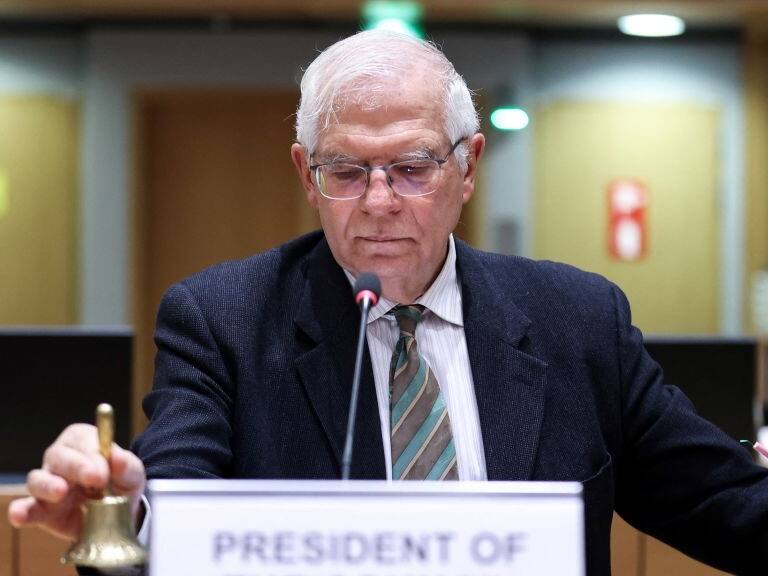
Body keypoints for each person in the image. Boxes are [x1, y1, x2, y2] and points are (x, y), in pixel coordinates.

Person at [8, 29, 768, 575]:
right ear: (307, 176)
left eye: (410, 167)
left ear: (466, 167)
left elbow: (728, 508)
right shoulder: (225, 319)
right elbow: (176, 507)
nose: (377, 202)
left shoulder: (578, 319)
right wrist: (126, 514)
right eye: (345, 171)